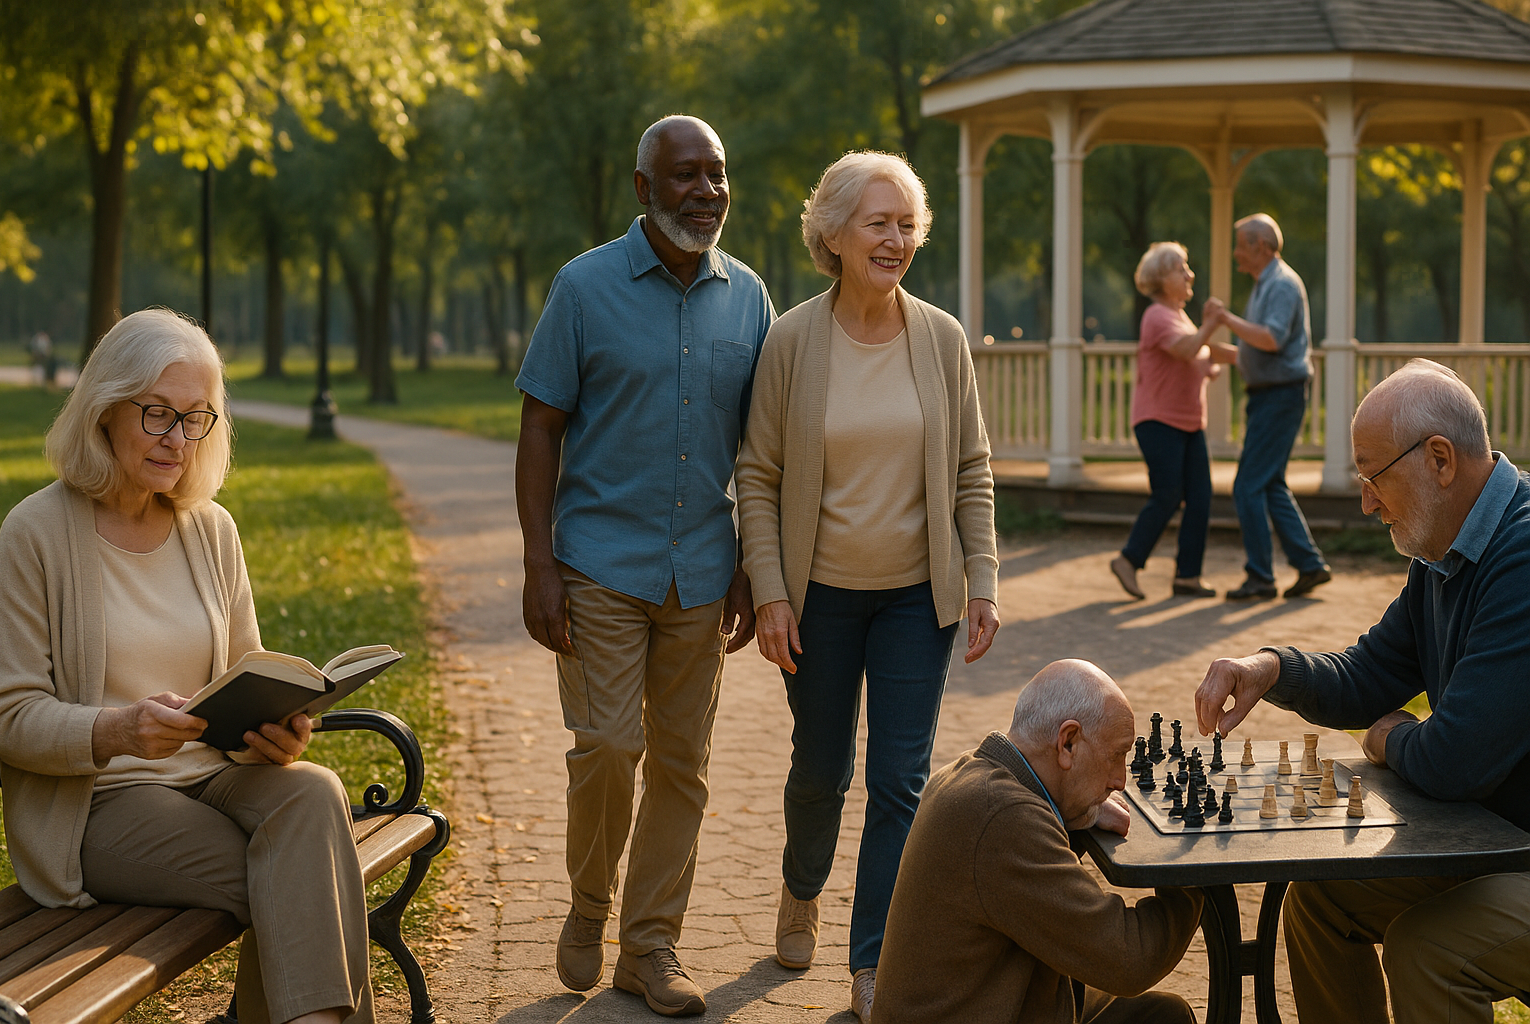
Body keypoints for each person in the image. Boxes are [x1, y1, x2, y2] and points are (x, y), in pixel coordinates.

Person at [0, 309, 372, 1024]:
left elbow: (247, 673)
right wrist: (118, 730)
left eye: (197, 418)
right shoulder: (35, 533)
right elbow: (8, 717)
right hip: (100, 804)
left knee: (313, 792)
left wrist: (279, 732)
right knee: (300, 878)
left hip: (215, 774)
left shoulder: (211, 529)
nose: (178, 439)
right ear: (107, 409)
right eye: (159, 414)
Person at [513, 114, 774, 1017]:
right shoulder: (582, 288)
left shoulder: (750, 295)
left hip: (703, 568)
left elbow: (759, 447)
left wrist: (753, 560)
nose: (707, 190)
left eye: (718, 173)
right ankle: (589, 907)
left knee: (682, 763)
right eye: (686, 175)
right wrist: (537, 563)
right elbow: (540, 425)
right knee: (610, 747)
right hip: (598, 565)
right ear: (643, 189)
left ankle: (649, 947)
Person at [735, 150, 1000, 1023]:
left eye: (907, 224)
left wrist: (984, 578)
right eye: (878, 223)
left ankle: (872, 961)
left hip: (915, 599)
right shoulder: (792, 340)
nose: (896, 240)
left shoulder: (942, 337)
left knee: (900, 783)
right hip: (820, 596)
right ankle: (801, 884)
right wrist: (769, 592)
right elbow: (760, 474)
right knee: (820, 769)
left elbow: (970, 467)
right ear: (835, 234)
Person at [1194, 358, 1530, 1023]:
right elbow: (1370, 674)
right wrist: (1271, 667)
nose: (1366, 500)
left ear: (1439, 459)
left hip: (1511, 847)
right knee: (1323, 897)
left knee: (1427, 947)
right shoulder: (1447, 552)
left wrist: (1389, 736)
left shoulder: (1520, 560)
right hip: (1498, 839)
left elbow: (1455, 758)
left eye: (1374, 476)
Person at [873, 660, 1202, 1024]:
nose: (1119, 780)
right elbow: (1128, 958)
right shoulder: (1003, 818)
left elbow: (1026, 891)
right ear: (1068, 742)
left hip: (1003, 1001)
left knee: (1163, 1013)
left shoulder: (970, 774)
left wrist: (1075, 816)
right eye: (1115, 756)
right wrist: (1191, 874)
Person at [1205, 213, 1331, 601]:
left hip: (1280, 396)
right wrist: (1207, 349)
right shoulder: (1265, 285)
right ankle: (1309, 565)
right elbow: (1255, 348)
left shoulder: (1281, 284)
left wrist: (1225, 319)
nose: (1236, 253)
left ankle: (1260, 577)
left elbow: (1272, 340)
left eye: (1242, 244)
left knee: (1247, 486)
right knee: (1270, 484)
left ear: (1261, 245)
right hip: (1271, 395)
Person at [1110, 242, 1237, 601]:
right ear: (1162, 278)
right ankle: (1128, 560)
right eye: (1182, 269)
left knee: (1200, 498)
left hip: (1189, 422)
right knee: (1168, 494)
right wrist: (1212, 324)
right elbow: (1186, 349)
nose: (1190, 275)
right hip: (1158, 421)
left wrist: (1252, 356)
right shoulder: (1157, 315)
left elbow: (1202, 352)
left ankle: (1187, 576)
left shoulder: (1180, 318)